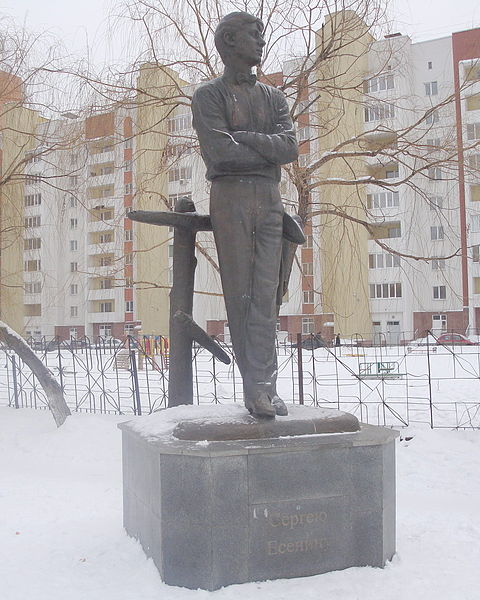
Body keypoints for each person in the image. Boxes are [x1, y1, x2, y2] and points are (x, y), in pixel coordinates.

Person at [191, 12, 298, 417]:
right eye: (254, 35)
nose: (261, 42)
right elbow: (220, 153)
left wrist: (246, 138)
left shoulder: (274, 97)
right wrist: (265, 148)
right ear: (230, 41)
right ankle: (255, 388)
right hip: (231, 198)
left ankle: (267, 385)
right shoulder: (209, 95)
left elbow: (289, 148)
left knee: (267, 296)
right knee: (241, 294)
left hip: (269, 197)